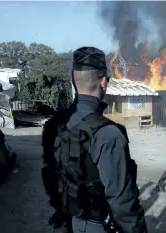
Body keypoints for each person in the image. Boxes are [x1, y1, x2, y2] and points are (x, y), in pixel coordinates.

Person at [41, 46, 147, 233]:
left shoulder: (53, 125)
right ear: (104, 82)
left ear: (73, 81)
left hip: (65, 222)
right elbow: (122, 202)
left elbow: (52, 175)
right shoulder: (108, 134)